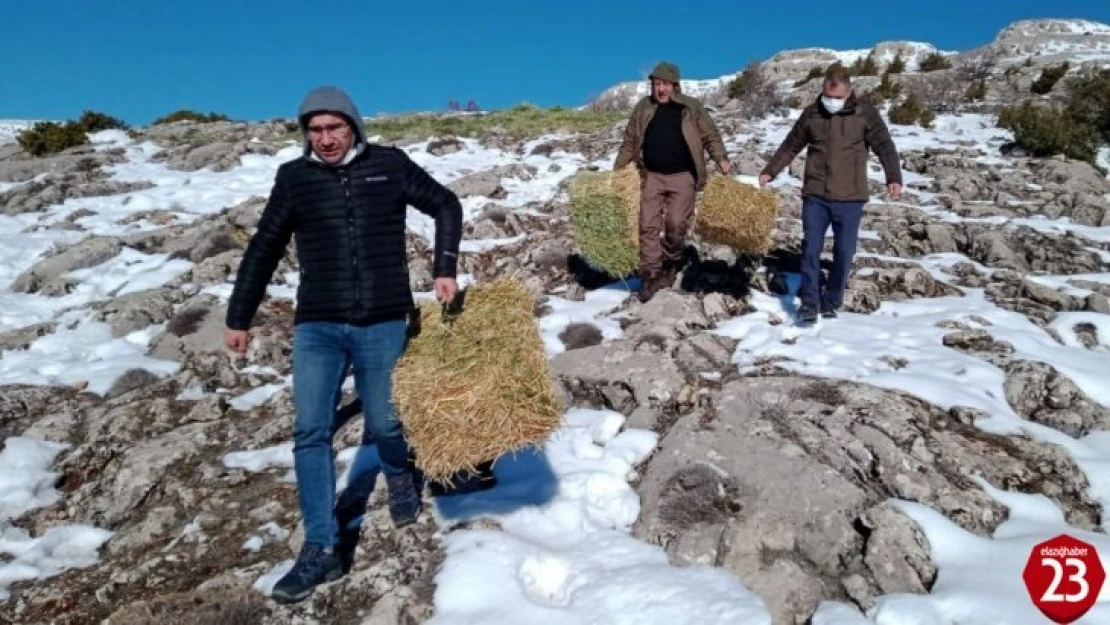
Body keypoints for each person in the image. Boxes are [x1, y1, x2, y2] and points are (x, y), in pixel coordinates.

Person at [223, 85, 462, 603]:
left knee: (384, 423)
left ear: (353, 126)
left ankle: (399, 471)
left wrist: (445, 267)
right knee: (310, 430)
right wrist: (238, 317)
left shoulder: (389, 165)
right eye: (315, 130)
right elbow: (264, 247)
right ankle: (320, 549)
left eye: (334, 128)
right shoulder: (295, 178)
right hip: (318, 325)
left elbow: (445, 203)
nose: (326, 139)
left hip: (382, 321)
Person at [759, 64, 902, 323]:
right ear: (823, 89)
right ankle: (810, 302)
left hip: (851, 197)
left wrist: (893, 176)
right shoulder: (812, 114)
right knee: (810, 248)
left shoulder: (864, 114)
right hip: (816, 194)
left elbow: (884, 145)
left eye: (837, 98)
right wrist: (771, 170)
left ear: (849, 92)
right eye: (828, 97)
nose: (832, 102)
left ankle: (832, 299)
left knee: (844, 252)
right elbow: (791, 145)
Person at [614, 61, 730, 303]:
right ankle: (650, 275)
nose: (660, 89)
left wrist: (721, 158)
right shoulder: (643, 108)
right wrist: (618, 170)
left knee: (676, 224)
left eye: (665, 84)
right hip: (652, 175)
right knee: (647, 225)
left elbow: (710, 136)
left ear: (675, 85)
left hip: (683, 176)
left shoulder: (691, 108)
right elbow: (630, 140)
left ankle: (671, 259)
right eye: (656, 84)